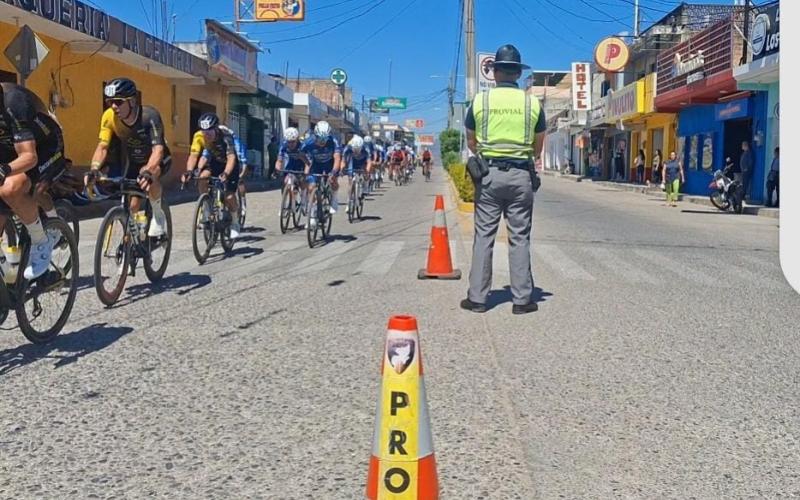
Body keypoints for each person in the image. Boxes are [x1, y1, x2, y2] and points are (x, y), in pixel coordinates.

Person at [460, 44, 546, 315]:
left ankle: (477, 299)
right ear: (517, 74)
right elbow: (538, 144)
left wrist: (485, 152)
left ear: (495, 72)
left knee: (484, 236)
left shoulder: (480, 101)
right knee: (519, 237)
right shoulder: (532, 103)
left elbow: (471, 138)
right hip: (521, 175)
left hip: (488, 175)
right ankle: (522, 301)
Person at [89, 78, 171, 238]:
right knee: (132, 205)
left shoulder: (149, 116)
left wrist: (148, 171)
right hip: (134, 160)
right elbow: (103, 146)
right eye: (110, 102)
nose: (113, 106)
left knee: (150, 176)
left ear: (132, 101)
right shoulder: (109, 117)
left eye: (118, 102)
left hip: (157, 158)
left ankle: (158, 214)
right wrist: (94, 169)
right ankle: (133, 241)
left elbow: (158, 149)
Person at [0, 83, 67, 279]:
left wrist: (4, 169)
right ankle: (8, 281)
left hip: (44, 148)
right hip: (9, 151)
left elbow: (29, 157)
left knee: (12, 189)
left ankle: (41, 241)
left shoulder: (14, 102)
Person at [181, 113, 242, 239]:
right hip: (215, 162)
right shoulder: (198, 136)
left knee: (229, 196)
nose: (206, 135)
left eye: (209, 132)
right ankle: (207, 207)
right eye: (204, 132)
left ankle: (235, 222)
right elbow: (194, 155)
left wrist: (226, 173)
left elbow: (231, 158)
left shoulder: (226, 136)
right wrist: (189, 171)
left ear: (216, 129)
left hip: (230, 165)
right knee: (202, 177)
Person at [301, 121, 342, 228]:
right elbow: (300, 153)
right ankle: (313, 214)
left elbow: (337, 159)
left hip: (330, 164)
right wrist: (307, 163)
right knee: (311, 187)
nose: (323, 141)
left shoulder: (333, 141)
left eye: (325, 139)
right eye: (320, 138)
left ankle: (334, 198)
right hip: (316, 165)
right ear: (315, 136)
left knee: (333, 181)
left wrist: (333, 173)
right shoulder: (309, 141)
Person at [342, 135, 372, 210]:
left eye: (358, 149)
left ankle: (365, 187)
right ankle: (349, 201)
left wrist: (367, 171)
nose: (356, 151)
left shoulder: (366, 149)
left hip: (362, 162)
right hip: (352, 162)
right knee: (350, 181)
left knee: (366, 174)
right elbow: (343, 161)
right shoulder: (348, 148)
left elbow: (369, 162)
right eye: (355, 149)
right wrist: (342, 168)